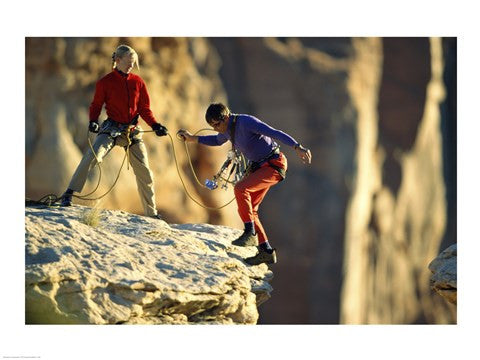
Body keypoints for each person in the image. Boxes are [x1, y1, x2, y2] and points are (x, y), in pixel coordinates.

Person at [178, 103, 312, 265]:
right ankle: (266, 251)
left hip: (274, 165)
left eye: (216, 124)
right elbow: (217, 140)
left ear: (226, 117)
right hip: (259, 168)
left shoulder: (247, 122)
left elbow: (274, 132)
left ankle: (249, 233)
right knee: (251, 210)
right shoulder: (226, 129)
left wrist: (297, 146)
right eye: (212, 125)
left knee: (240, 189)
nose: (215, 128)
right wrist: (193, 138)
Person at [60, 44, 168, 219]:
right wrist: (93, 121)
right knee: (92, 156)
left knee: (145, 172)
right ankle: (68, 194)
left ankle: (151, 213)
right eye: (129, 62)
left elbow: (144, 108)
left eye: (133, 63)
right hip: (111, 128)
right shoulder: (105, 82)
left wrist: (155, 125)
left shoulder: (138, 82)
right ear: (117, 61)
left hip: (132, 131)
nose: (131, 66)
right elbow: (96, 105)